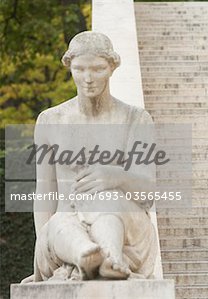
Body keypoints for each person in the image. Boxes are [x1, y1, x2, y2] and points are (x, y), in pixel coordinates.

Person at [22, 31, 158, 282]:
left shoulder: (135, 119)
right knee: (60, 225)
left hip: (126, 231)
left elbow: (148, 192)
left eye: (97, 69)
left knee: (108, 200)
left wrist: (115, 176)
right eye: (79, 69)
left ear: (112, 67)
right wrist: (42, 249)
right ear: (69, 67)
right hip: (65, 229)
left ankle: (110, 258)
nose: (87, 78)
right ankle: (87, 256)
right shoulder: (51, 120)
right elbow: (45, 193)